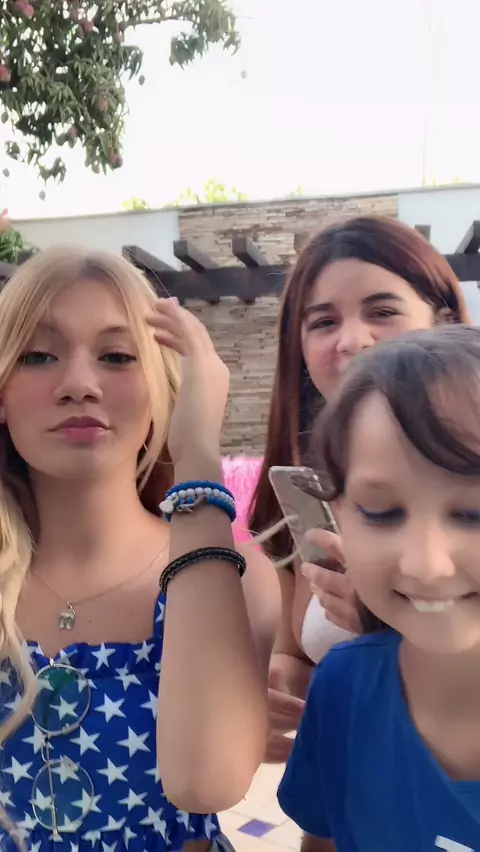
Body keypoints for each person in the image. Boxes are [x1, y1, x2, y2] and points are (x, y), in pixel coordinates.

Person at [0, 246, 280, 851]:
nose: (80, 385)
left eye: (118, 356)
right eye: (39, 355)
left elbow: (208, 783)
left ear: (161, 389)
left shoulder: (236, 581)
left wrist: (199, 453)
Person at [248, 216, 472, 762]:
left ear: (443, 318)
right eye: (324, 322)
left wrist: (390, 613)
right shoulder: (299, 494)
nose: (352, 341)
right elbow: (296, 657)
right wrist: (275, 691)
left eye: (382, 312)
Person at [278, 324, 480, 851]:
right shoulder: (343, 689)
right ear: (338, 514)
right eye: (382, 512)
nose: (428, 565)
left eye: (474, 514)